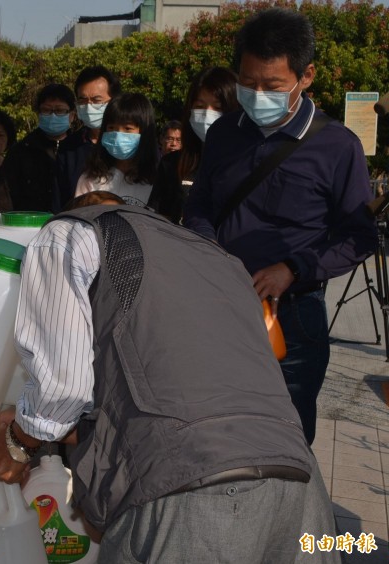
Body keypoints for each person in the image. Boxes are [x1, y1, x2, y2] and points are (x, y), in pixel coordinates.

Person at [0, 202, 338, 563]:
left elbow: (61, 390)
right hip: (302, 489)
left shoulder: (67, 235)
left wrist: (18, 444)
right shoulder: (216, 259)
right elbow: (176, 404)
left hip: (194, 497)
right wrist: (32, 422)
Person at [183, 8, 378, 445]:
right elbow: (200, 206)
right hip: (221, 305)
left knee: (284, 439)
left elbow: (358, 236)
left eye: (271, 86)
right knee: (215, 430)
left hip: (292, 316)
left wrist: (293, 268)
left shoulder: (337, 146)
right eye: (247, 82)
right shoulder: (224, 133)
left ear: (306, 76)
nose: (256, 95)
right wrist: (208, 249)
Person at [148, 66, 239, 223]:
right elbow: (159, 221)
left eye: (218, 108)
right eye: (199, 106)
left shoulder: (246, 165)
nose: (207, 114)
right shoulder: (171, 164)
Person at [0, 83, 75, 213]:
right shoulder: (20, 151)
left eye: (59, 111)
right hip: (28, 223)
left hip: (71, 222)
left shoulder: (80, 149)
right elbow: (4, 196)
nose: (53, 116)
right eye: (46, 110)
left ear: (72, 115)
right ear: (39, 114)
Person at [74, 93, 158, 207]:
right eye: (111, 128)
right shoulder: (91, 178)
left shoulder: (157, 180)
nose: (118, 135)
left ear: (145, 132)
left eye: (128, 128)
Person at [55, 66, 121, 210]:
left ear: (114, 101)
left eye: (97, 100)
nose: (89, 106)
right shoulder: (69, 147)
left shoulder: (127, 144)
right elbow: (61, 199)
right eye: (83, 100)